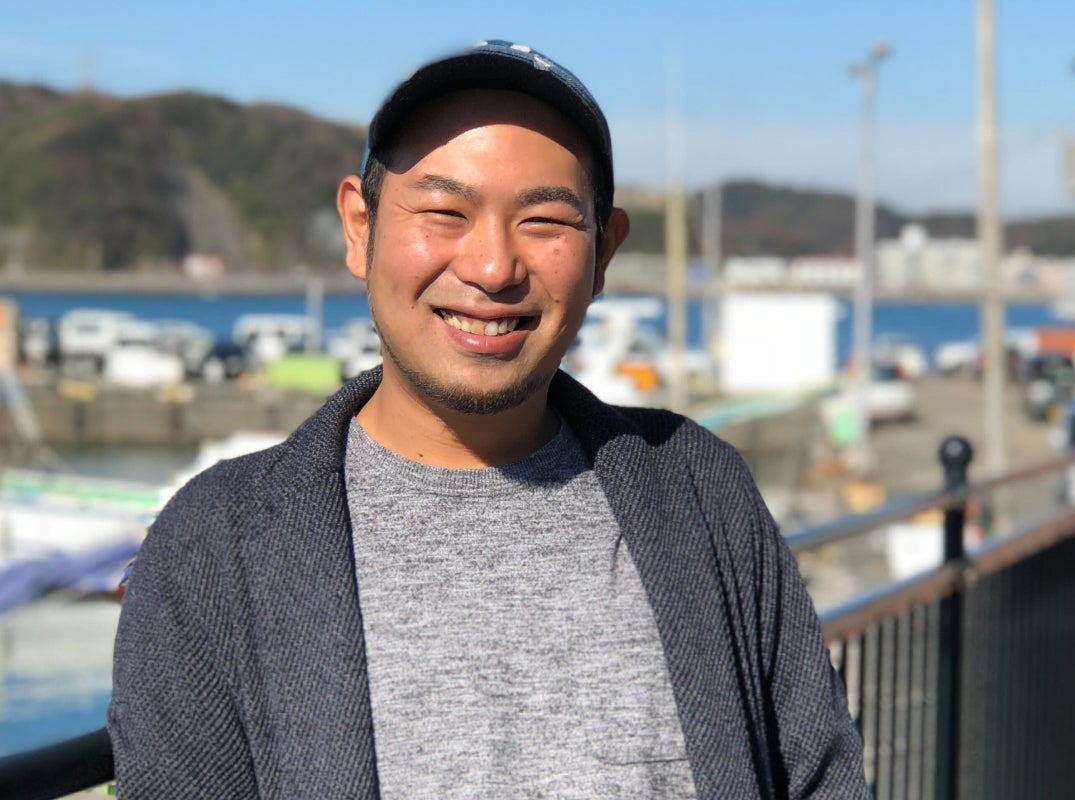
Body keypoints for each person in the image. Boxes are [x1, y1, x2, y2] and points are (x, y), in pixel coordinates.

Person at [108, 41, 869, 798]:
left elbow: (822, 780)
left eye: (545, 221)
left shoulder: (703, 493)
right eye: (445, 211)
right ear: (360, 228)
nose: (493, 267)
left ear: (604, 254)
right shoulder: (215, 546)